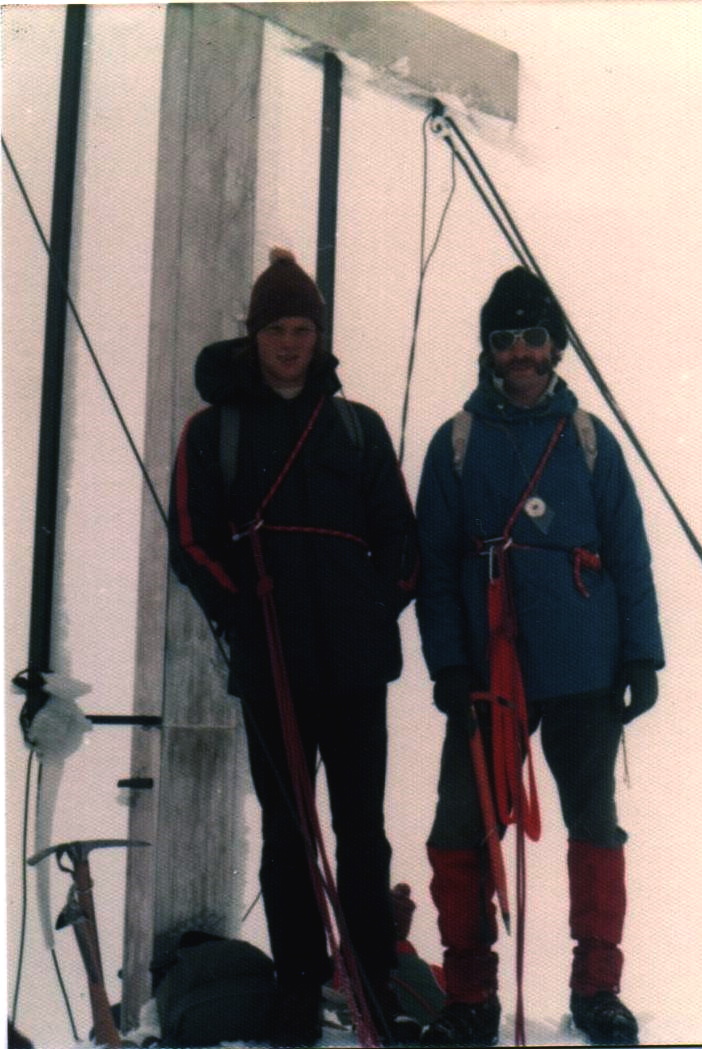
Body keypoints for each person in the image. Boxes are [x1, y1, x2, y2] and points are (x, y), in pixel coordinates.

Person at [168, 248, 419, 1047]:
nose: (289, 342)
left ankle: (371, 976)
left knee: (361, 827)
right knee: (287, 830)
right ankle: (299, 981)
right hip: (270, 659)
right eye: (276, 327)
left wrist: (370, 612)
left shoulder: (357, 427)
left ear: (319, 335)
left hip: (352, 666)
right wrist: (243, 610)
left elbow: (402, 544)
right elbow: (191, 541)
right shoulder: (217, 432)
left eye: (302, 327)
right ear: (254, 332)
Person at [415, 266, 664, 1047]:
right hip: (488, 673)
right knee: (461, 826)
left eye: (532, 337)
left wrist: (641, 654)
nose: (520, 353)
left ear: (555, 346)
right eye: (504, 339)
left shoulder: (591, 441)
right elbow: (432, 565)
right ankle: (470, 998)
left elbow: (629, 553)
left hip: (583, 665)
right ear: (487, 351)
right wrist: (448, 665)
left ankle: (598, 989)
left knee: (595, 823)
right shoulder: (455, 443)